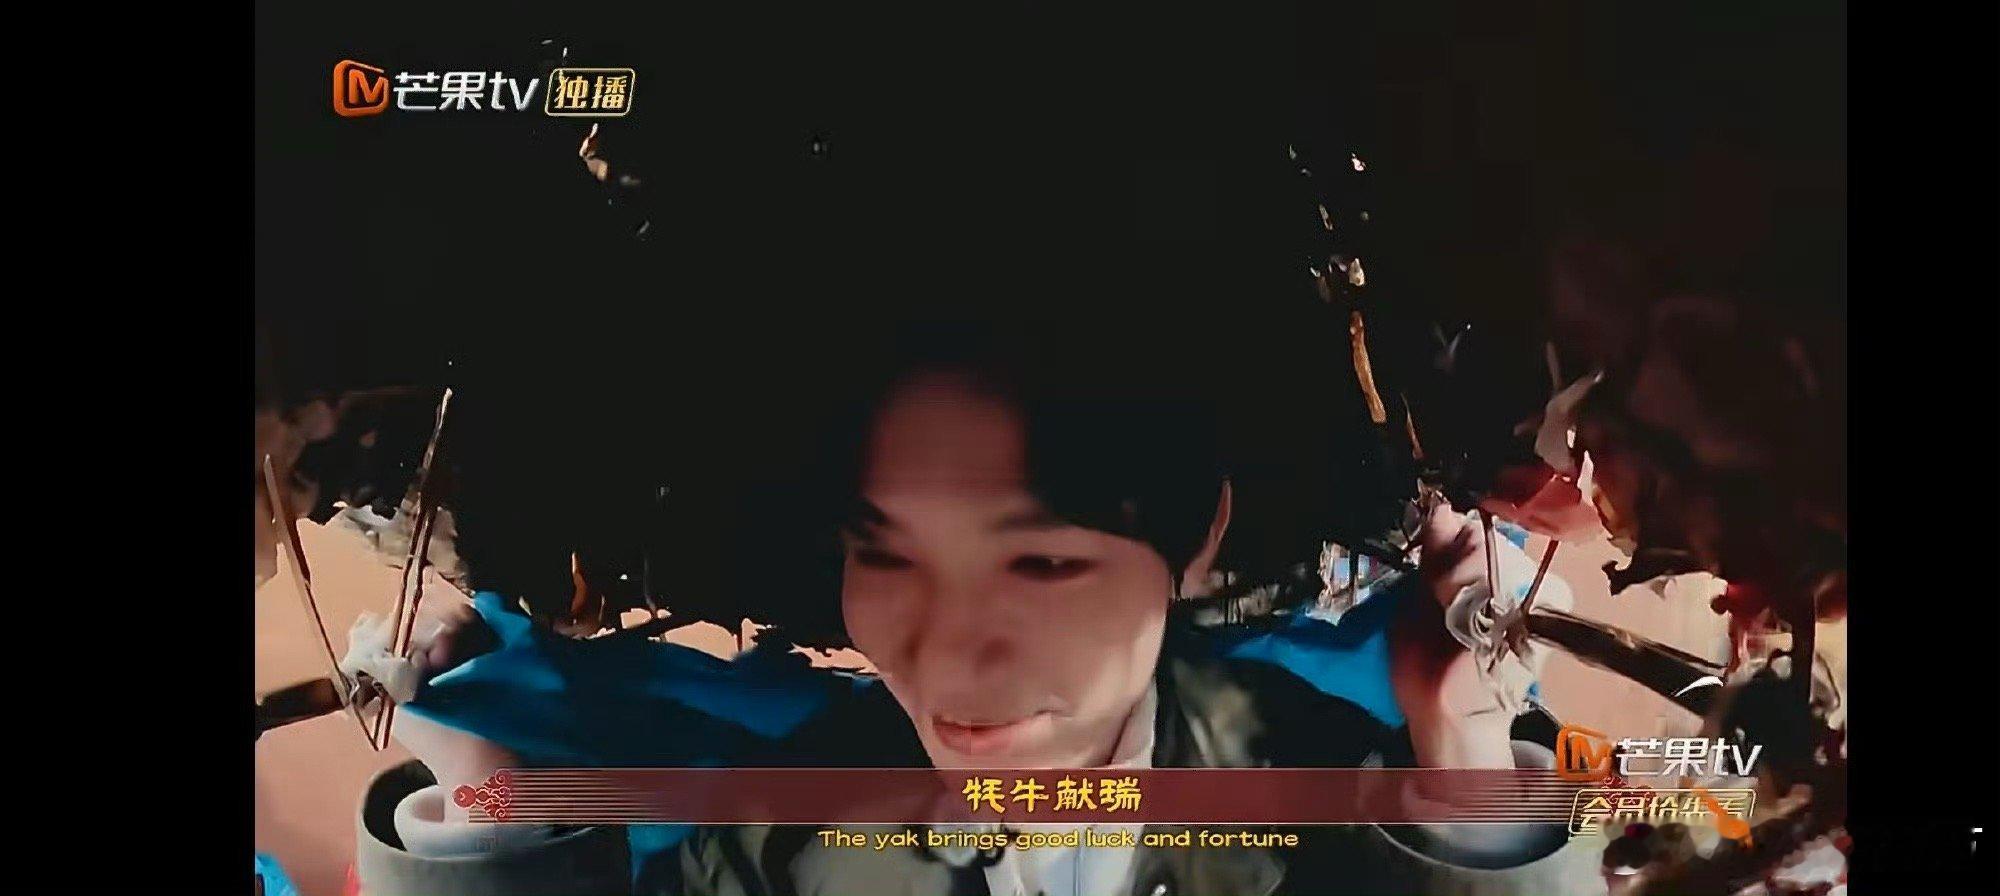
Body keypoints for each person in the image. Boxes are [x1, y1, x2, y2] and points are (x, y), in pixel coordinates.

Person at [344, 321, 1603, 895]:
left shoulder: (1317, 783)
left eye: (1041, 563)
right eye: (882, 554)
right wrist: (477, 794)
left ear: (1195, 535)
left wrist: (1462, 746)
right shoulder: (795, 827)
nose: (948, 656)